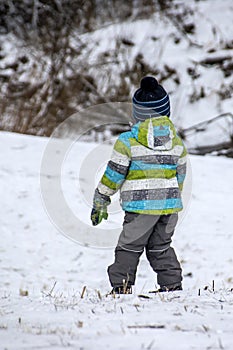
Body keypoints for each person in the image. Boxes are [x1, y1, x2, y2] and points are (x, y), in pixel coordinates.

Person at [91, 76, 187, 294]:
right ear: (166, 112)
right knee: (160, 246)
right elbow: (181, 174)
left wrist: (100, 199)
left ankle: (121, 287)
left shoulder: (127, 141)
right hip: (169, 207)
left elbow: (114, 174)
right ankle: (172, 285)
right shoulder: (176, 142)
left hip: (141, 208)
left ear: (137, 114)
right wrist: (172, 195)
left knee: (129, 246)